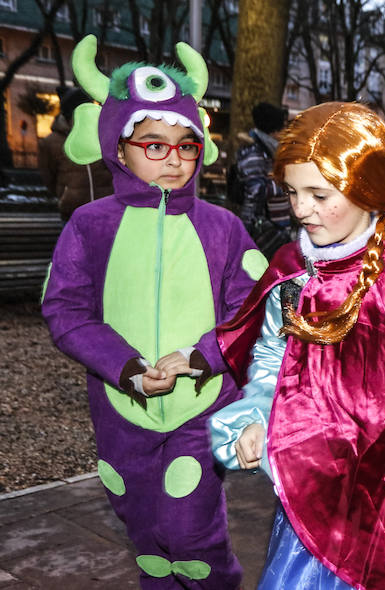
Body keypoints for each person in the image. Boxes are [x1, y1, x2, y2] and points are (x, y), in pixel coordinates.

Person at [209, 102, 385, 589]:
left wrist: (309, 437)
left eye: (319, 195)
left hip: (383, 508)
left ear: (368, 192)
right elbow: (270, 359)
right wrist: (257, 414)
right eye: (294, 192)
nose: (301, 209)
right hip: (310, 498)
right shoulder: (290, 270)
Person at [41, 35, 265, 589]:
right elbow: (64, 309)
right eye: (154, 145)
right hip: (121, 406)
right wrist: (126, 366)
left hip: (203, 401)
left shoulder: (224, 228)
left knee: (189, 533)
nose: (173, 159)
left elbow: (253, 309)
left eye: (185, 145)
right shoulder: (89, 225)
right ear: (119, 147)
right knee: (145, 534)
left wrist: (199, 358)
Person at [38, 86, 113, 221]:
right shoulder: (51, 143)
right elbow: (49, 177)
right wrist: (66, 195)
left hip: (107, 213)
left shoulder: (104, 135)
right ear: (70, 115)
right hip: (72, 214)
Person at [231, 101, 292, 258]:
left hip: (275, 224)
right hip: (264, 228)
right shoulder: (255, 151)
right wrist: (285, 186)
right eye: (283, 127)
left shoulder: (270, 149)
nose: (286, 131)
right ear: (273, 130)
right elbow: (254, 191)